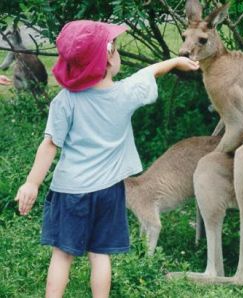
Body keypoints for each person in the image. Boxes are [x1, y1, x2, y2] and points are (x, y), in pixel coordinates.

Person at [14, 20, 199, 298]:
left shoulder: (65, 100)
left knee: (62, 256)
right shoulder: (125, 93)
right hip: (110, 192)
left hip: (71, 192)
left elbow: (50, 144)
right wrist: (175, 62)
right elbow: (151, 71)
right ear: (110, 57)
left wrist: (32, 183)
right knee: (100, 255)